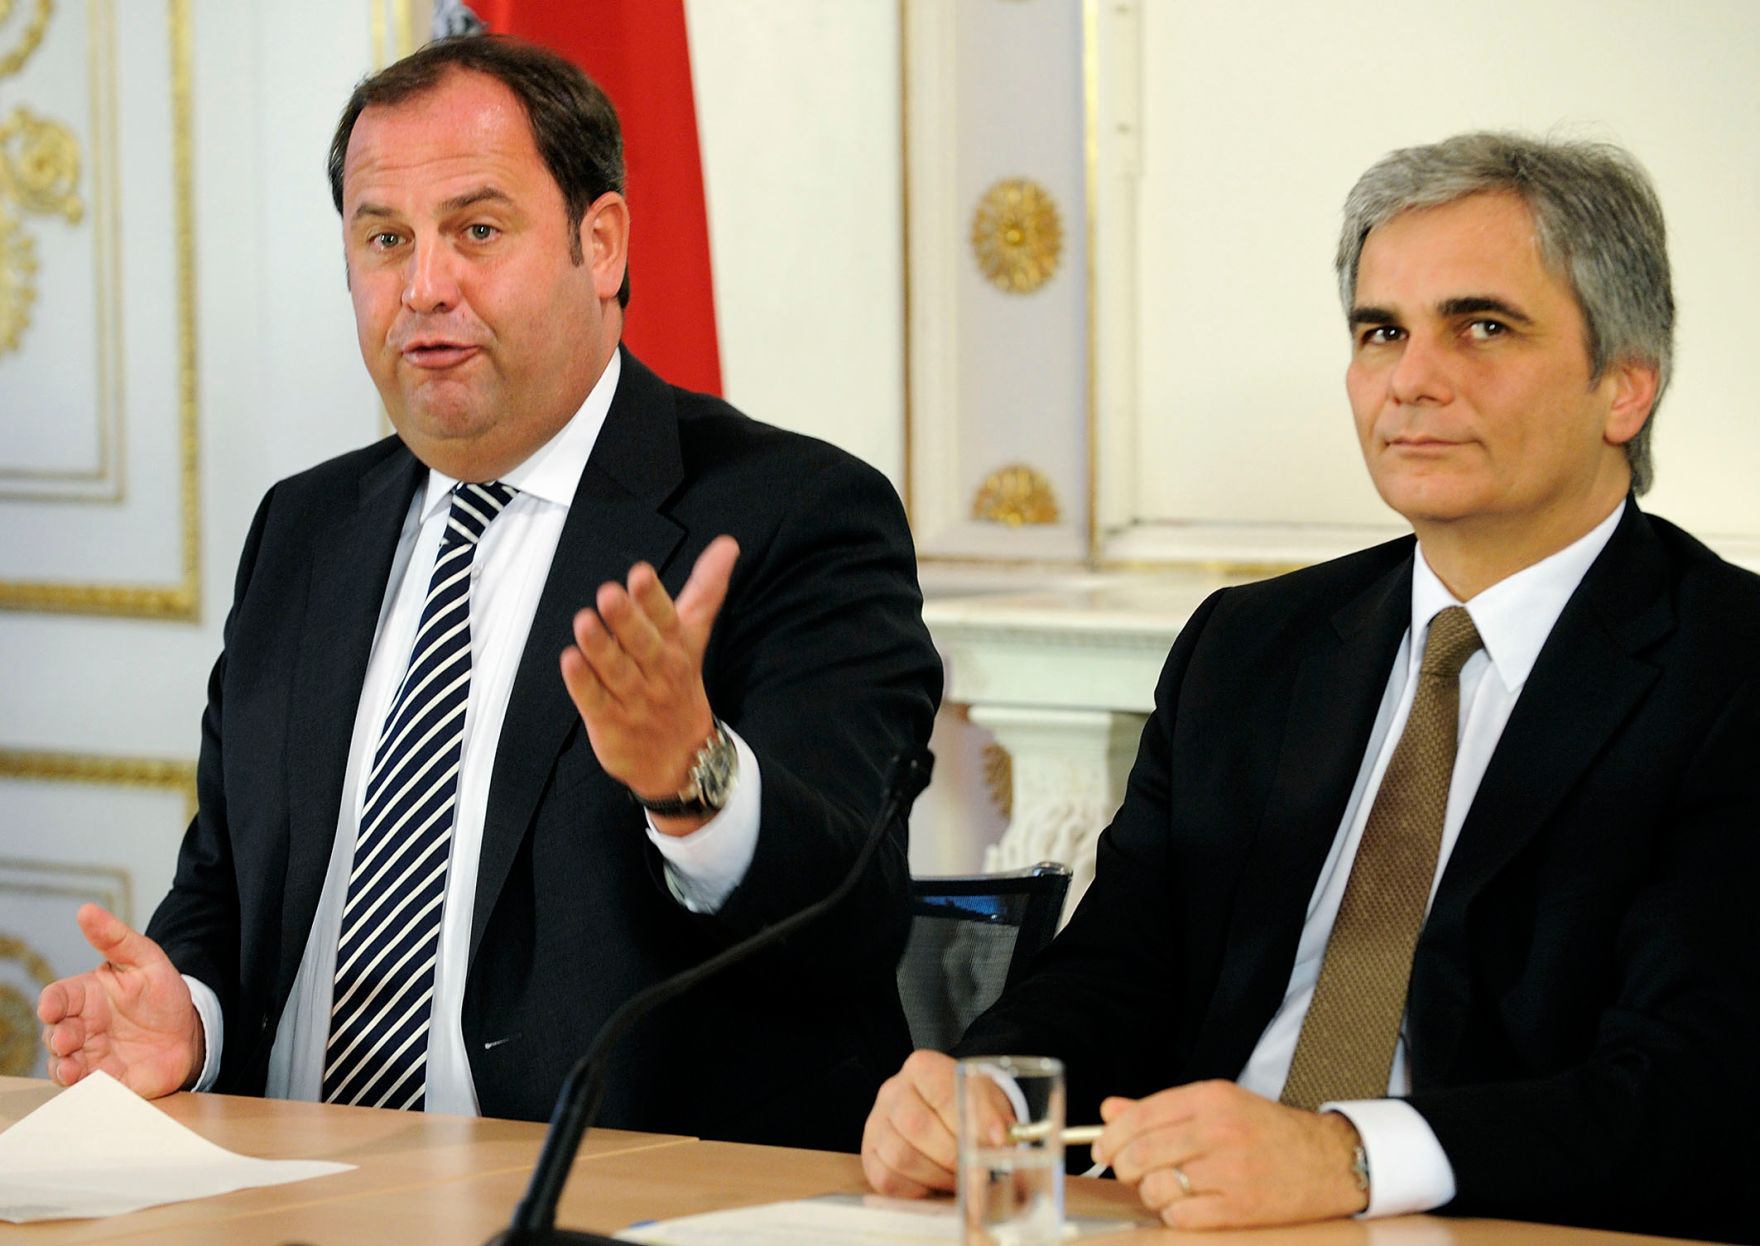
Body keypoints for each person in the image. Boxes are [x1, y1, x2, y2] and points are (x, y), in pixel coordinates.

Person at [36, 34, 941, 1152]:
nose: (423, 287)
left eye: (475, 230)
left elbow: (849, 918)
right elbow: (227, 884)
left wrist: (692, 777)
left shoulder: (793, 515)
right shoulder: (303, 529)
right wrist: (194, 1022)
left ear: (597, 243)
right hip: (280, 1188)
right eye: (383, 239)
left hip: (602, 1200)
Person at [862, 132, 1759, 1242]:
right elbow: (1121, 968)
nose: (1411, 379)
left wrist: (1343, 1156)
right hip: (1182, 1220)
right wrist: (987, 1090)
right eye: (1379, 332)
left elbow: (1696, 1091)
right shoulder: (1251, 645)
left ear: (1623, 386)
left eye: (1480, 326)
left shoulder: (1730, 669)